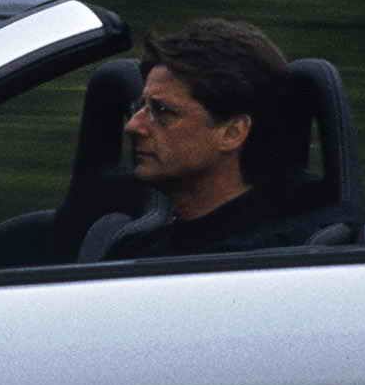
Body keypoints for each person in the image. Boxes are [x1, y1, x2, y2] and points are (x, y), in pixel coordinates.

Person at [95, 18, 324, 259]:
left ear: (232, 133)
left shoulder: (261, 261)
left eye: (162, 111)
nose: (132, 126)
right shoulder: (138, 246)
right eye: (140, 108)